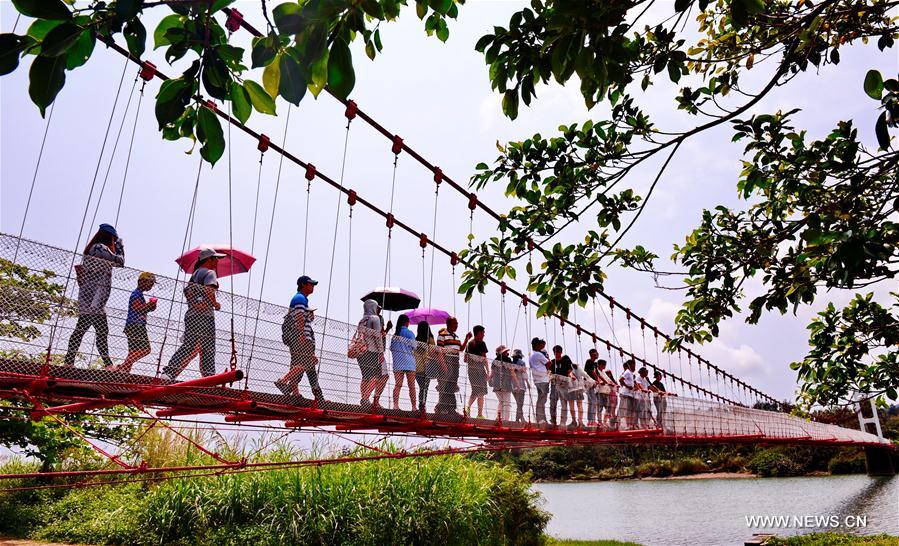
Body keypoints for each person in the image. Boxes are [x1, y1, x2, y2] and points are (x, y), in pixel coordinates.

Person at [64, 223, 125, 368]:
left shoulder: (95, 248)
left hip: (94, 299)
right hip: (93, 300)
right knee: (96, 332)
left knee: (89, 330)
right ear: (109, 237)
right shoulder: (99, 248)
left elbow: (115, 262)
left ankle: (70, 361)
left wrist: (116, 249)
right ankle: (107, 365)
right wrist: (121, 247)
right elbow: (120, 261)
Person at [164, 248, 224, 380]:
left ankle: (168, 373)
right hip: (205, 317)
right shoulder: (210, 273)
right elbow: (209, 291)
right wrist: (215, 304)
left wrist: (195, 304)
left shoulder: (195, 274)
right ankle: (209, 378)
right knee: (207, 349)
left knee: (190, 345)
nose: (217, 261)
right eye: (215, 258)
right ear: (209, 259)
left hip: (192, 314)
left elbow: (188, 293)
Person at [275, 276, 324, 404]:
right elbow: (300, 317)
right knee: (304, 363)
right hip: (300, 337)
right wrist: (302, 335)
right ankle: (283, 381)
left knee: (297, 362)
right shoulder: (300, 298)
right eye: (310, 284)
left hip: (298, 336)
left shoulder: (302, 299)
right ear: (303, 284)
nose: (312, 286)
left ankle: (295, 391)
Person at [114, 271, 157, 373]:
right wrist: (149, 305)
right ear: (142, 281)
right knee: (145, 350)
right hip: (136, 325)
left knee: (133, 351)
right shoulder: (136, 294)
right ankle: (122, 366)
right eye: (150, 282)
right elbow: (137, 308)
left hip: (134, 325)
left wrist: (151, 307)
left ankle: (125, 372)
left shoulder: (139, 294)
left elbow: (141, 309)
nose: (151, 285)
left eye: (152, 283)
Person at [356, 299, 386, 408]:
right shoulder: (375, 319)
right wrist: (381, 352)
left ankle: (363, 398)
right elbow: (377, 336)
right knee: (376, 376)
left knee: (365, 376)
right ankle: (365, 398)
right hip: (372, 351)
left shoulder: (362, 320)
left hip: (361, 351)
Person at [435, 317, 465, 417]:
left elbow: (460, 349)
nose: (457, 325)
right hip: (447, 360)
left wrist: (466, 339)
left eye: (457, 323)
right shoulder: (442, 335)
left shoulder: (456, 337)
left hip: (455, 361)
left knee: (451, 386)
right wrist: (443, 365)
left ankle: (443, 407)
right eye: (455, 323)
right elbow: (439, 350)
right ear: (449, 324)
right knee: (446, 385)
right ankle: (448, 408)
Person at [390, 314, 417, 410]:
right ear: (406, 323)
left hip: (398, 362)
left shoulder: (395, 335)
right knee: (412, 386)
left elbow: (391, 348)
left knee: (398, 384)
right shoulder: (410, 333)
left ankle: (395, 405)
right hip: (409, 362)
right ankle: (414, 407)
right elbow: (414, 346)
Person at [464, 325, 489, 419]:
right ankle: (468, 408)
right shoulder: (471, 343)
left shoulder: (480, 343)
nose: (484, 334)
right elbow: (466, 359)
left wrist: (487, 371)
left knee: (481, 392)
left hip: (478, 370)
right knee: (477, 391)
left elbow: (484, 358)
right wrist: (487, 371)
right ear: (478, 332)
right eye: (483, 332)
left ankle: (479, 414)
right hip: (475, 370)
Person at [549, 345, 577, 428]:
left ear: (561, 352)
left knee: (563, 403)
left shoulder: (565, 361)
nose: (556, 353)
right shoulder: (552, 362)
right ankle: (553, 420)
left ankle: (563, 422)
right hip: (554, 384)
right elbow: (548, 372)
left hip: (564, 385)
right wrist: (550, 376)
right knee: (553, 402)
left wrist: (571, 376)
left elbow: (569, 371)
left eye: (558, 351)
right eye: (554, 352)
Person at [413, 321, 437, 413]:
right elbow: (433, 351)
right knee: (425, 387)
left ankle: (421, 405)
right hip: (427, 367)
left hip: (416, 367)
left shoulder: (415, 340)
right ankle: (422, 406)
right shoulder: (430, 339)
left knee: (422, 387)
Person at [529, 337, 550, 425]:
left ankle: (541, 418)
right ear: (537, 345)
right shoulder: (539, 354)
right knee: (542, 400)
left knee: (541, 399)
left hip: (537, 380)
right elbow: (549, 363)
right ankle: (540, 418)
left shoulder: (531, 356)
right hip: (543, 379)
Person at [491, 345, 515, 422]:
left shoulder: (494, 361)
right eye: (506, 351)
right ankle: (505, 419)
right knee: (507, 403)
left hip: (497, 384)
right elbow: (512, 372)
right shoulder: (508, 360)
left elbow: (492, 374)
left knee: (501, 402)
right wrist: (517, 383)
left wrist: (488, 379)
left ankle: (498, 417)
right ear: (503, 352)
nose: (507, 353)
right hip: (506, 384)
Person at [618, 359, 637, 429]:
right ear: (630, 365)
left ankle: (628, 425)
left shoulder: (631, 373)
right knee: (624, 410)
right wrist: (628, 386)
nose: (634, 366)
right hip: (626, 394)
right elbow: (620, 380)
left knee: (629, 410)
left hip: (630, 395)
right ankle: (623, 425)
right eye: (633, 365)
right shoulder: (628, 372)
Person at [584, 349, 601, 426]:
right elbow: (592, 372)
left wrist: (599, 380)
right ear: (592, 354)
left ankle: (591, 420)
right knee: (593, 402)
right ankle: (591, 420)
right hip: (589, 384)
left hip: (592, 385)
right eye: (596, 353)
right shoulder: (589, 361)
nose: (597, 354)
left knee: (592, 402)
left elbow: (597, 373)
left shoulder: (595, 364)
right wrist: (598, 380)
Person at [510, 348, 528, 423]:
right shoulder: (522, 362)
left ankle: (518, 419)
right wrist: (528, 383)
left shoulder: (511, 363)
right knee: (520, 403)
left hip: (513, 385)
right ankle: (521, 418)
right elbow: (524, 374)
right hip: (521, 385)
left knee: (518, 403)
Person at [594, 359, 613, 427]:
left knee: (608, 408)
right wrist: (602, 382)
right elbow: (597, 380)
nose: (604, 366)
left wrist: (612, 383)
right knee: (600, 408)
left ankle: (605, 421)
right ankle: (600, 422)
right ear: (599, 365)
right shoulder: (596, 371)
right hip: (600, 392)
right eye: (603, 364)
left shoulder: (604, 373)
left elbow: (609, 380)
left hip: (606, 392)